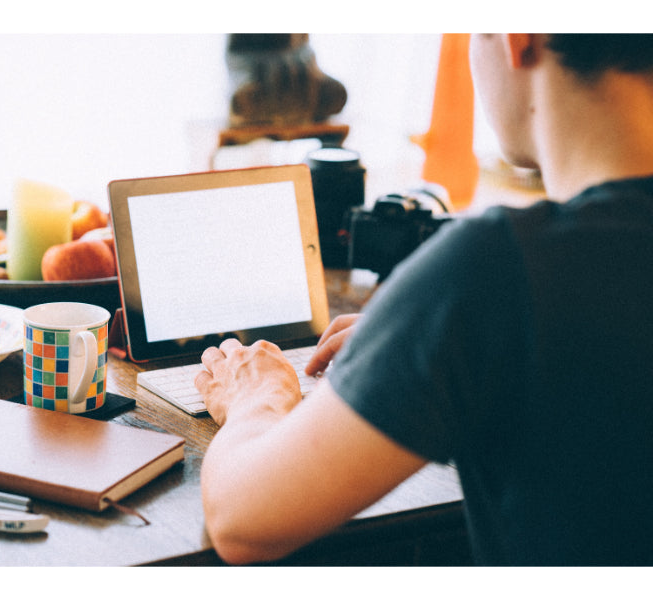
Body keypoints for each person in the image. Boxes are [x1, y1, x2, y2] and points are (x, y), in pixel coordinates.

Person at [194, 34, 653, 566]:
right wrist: (416, 333)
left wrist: (257, 396)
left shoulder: (497, 269)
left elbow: (241, 520)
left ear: (515, 38)